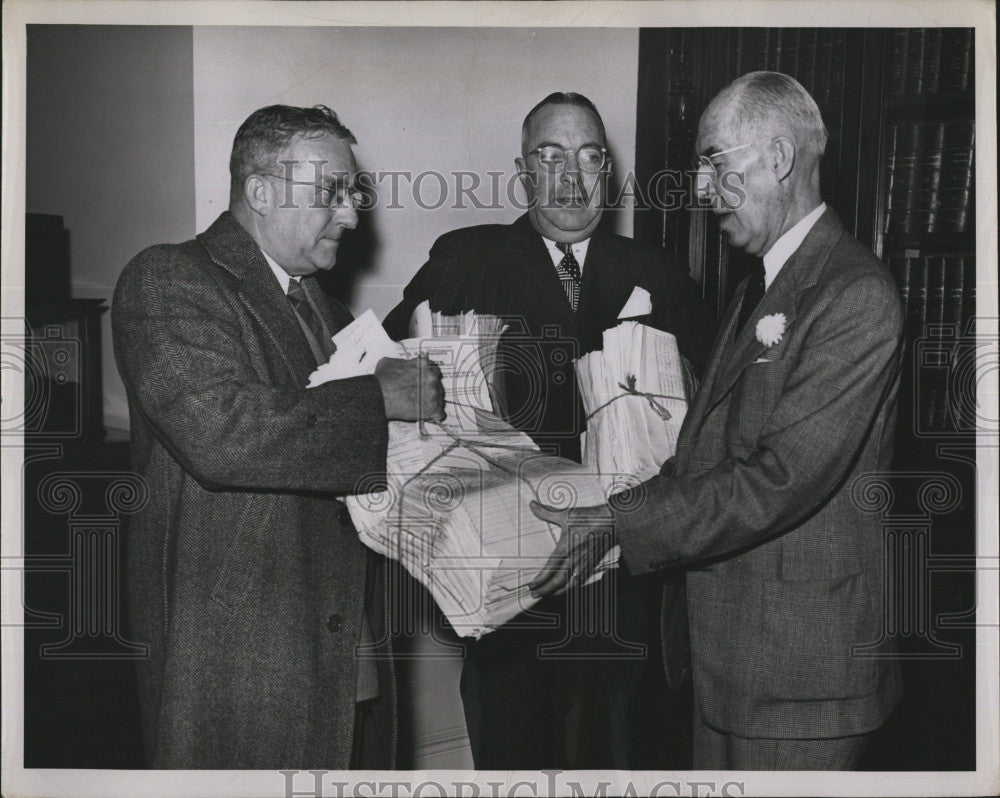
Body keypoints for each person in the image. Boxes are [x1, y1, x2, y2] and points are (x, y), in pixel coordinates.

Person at [530, 72, 905, 770]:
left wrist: (619, 522)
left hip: (802, 679)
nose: (700, 190)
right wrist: (609, 508)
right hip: (730, 662)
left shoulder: (854, 294)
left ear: (779, 157)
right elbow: (702, 453)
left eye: (713, 162)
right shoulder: (757, 288)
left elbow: (778, 479)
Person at [384, 92, 716, 769]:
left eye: (589, 157)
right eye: (550, 156)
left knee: (626, 754)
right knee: (516, 752)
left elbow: (712, 410)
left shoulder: (655, 270)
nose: (571, 177)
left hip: (628, 576)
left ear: (609, 173)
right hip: (511, 584)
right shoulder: (468, 259)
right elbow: (393, 382)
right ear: (522, 171)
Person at [113, 104, 444, 769]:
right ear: (260, 192)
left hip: (343, 645)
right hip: (239, 656)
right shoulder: (167, 279)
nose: (351, 216)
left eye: (353, 195)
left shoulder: (327, 307)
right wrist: (381, 397)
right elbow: (223, 433)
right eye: (332, 194)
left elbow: (352, 456)